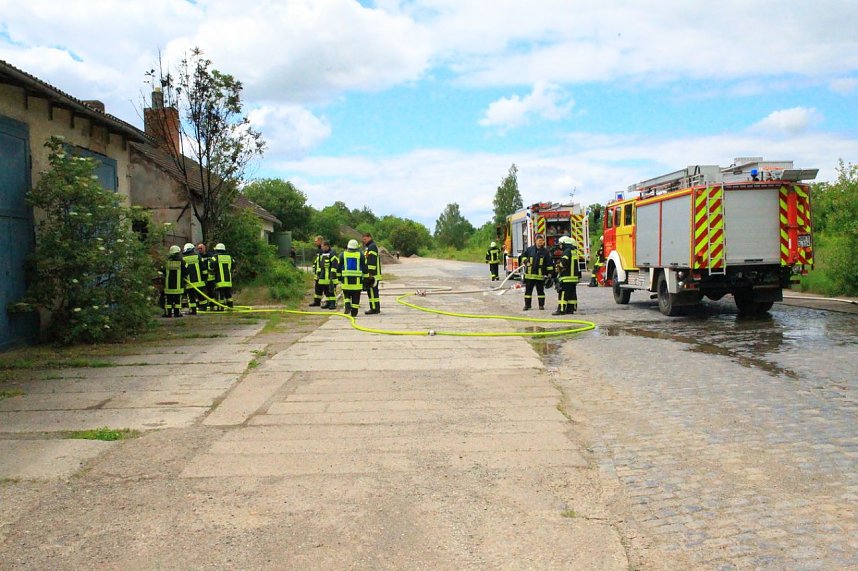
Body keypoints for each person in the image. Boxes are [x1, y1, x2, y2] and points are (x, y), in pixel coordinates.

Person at [518, 234, 553, 310]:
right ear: (535, 241)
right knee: (528, 292)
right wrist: (525, 260)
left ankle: (541, 305)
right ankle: (527, 305)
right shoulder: (529, 249)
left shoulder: (546, 252)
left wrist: (550, 273)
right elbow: (523, 256)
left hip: (540, 276)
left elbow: (549, 263)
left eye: (542, 241)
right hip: (529, 275)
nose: (541, 242)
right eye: (539, 240)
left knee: (540, 292)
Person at [553, 236, 581, 315]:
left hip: (566, 277)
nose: (560, 246)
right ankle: (570, 309)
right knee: (572, 294)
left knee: (563, 293)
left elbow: (564, 262)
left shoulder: (567, 251)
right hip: (573, 278)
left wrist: (558, 266)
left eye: (561, 244)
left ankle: (561, 309)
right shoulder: (573, 251)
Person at [339, 239, 366, 317]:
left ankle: (347, 305)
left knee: (346, 294)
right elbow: (364, 268)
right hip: (357, 282)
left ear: (348, 247)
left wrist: (339, 277)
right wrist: (366, 278)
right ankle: (354, 312)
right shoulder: (360, 255)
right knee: (356, 297)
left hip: (346, 281)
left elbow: (339, 267)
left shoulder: (342, 255)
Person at [181, 242, 204, 315]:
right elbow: (203, 267)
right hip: (199, 281)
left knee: (191, 297)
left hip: (189, 282)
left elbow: (182, 270)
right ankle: (203, 307)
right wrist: (205, 277)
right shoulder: (197, 256)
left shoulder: (182, 258)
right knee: (201, 295)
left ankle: (193, 310)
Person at [362, 232, 381, 314]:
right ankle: (374, 307)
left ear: (369, 237)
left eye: (365, 239)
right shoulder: (369, 247)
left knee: (373, 292)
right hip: (372, 274)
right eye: (363, 240)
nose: (364, 241)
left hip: (373, 274)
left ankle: (374, 308)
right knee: (371, 292)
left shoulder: (372, 247)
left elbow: (372, 261)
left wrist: (370, 274)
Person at [162, 245, 184, 318]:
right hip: (178, 284)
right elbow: (185, 271)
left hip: (168, 284)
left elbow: (163, 270)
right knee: (178, 300)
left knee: (169, 300)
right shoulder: (181, 260)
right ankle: (177, 313)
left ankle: (168, 313)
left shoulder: (166, 260)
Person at [317, 241, 339, 310]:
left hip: (330, 276)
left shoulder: (332, 253)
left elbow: (334, 264)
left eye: (323, 246)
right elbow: (320, 264)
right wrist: (318, 273)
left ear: (327, 246)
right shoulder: (322, 253)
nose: (322, 248)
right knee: (326, 291)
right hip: (323, 276)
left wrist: (332, 274)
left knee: (331, 290)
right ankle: (328, 302)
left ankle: (333, 303)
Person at [211, 242, 233, 310]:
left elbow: (211, 266)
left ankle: (221, 307)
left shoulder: (215, 257)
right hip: (228, 280)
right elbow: (233, 266)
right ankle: (230, 306)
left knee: (221, 294)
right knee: (228, 294)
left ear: (217, 250)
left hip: (219, 279)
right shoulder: (229, 257)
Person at [196, 242, 214, 311]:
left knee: (211, 292)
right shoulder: (198, 257)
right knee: (202, 292)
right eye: (198, 249)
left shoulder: (210, 255)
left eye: (201, 248)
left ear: (204, 248)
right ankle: (203, 305)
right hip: (201, 278)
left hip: (210, 278)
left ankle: (212, 305)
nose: (200, 250)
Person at [308, 235, 324, 307]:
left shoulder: (323, 250)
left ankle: (330, 302)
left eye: (316, 241)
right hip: (318, 272)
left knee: (324, 288)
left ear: (320, 241)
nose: (315, 242)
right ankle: (317, 302)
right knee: (317, 288)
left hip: (322, 273)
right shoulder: (319, 249)